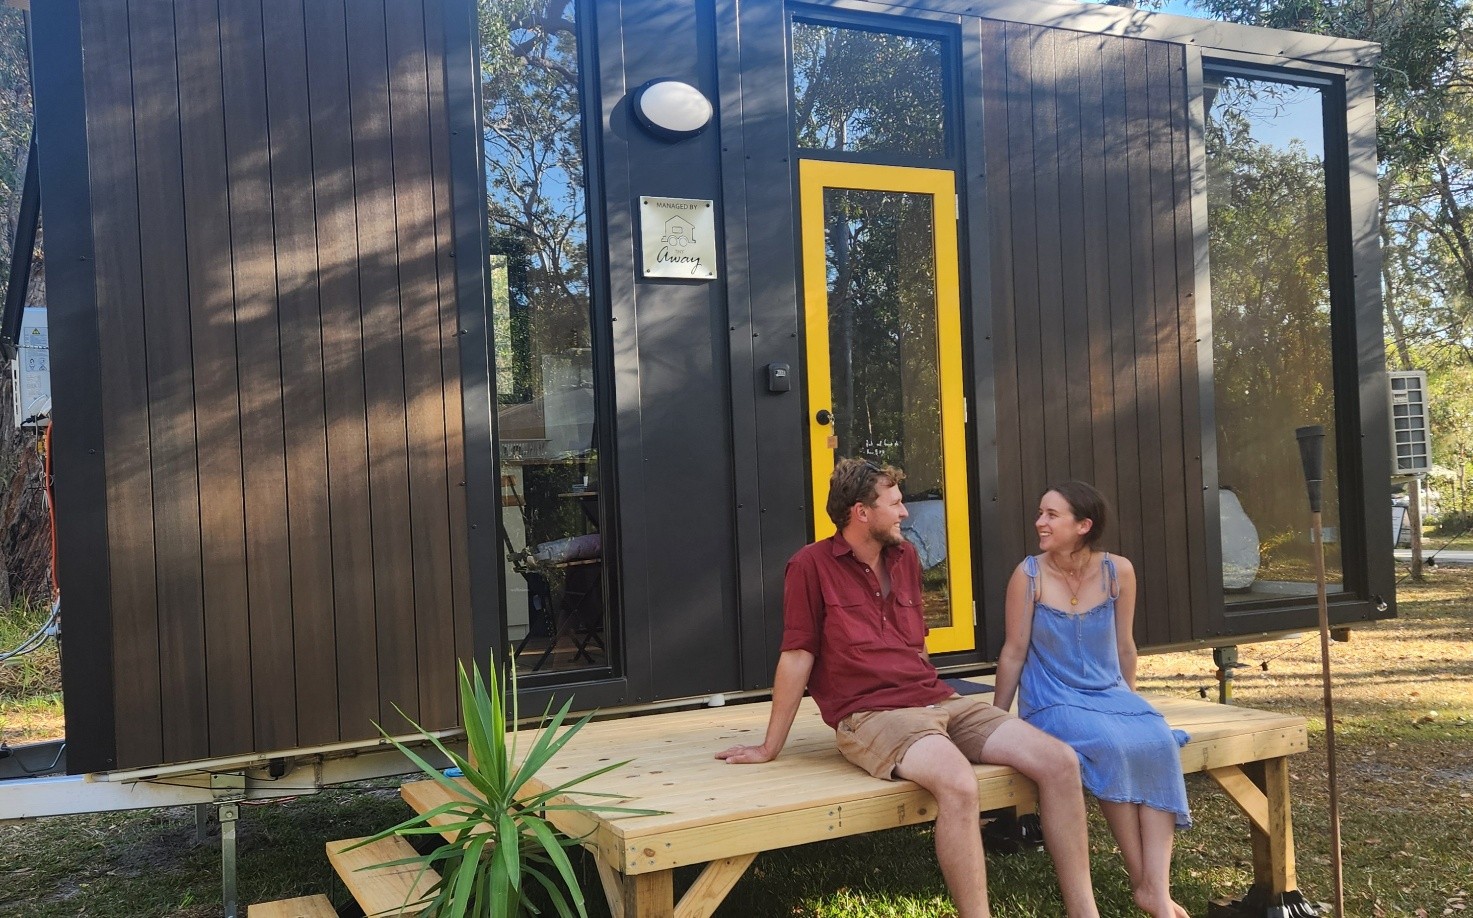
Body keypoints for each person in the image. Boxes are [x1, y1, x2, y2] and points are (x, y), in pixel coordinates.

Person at [716, 459, 1100, 918]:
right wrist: (769, 746)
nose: (905, 512)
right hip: (872, 713)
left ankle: (1086, 913)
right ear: (861, 512)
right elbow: (798, 655)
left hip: (937, 698)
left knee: (1060, 762)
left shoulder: (905, 557)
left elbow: (915, 641)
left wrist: (933, 696)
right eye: (895, 503)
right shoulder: (810, 566)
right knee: (958, 783)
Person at [992, 481, 1191, 918]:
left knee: (1158, 740)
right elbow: (1013, 651)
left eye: (1051, 515)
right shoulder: (1028, 575)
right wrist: (996, 719)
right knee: (1111, 744)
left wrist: (1129, 706)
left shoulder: (1118, 571)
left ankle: (1156, 888)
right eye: (1040, 513)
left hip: (1109, 693)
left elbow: (1125, 647)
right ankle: (1143, 884)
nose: (1040, 522)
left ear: (1083, 525)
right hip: (1053, 700)